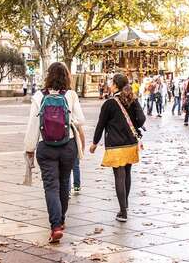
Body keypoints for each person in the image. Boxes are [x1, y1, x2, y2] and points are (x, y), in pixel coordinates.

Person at [24, 62, 85, 243]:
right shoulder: (71, 95)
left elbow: (33, 126)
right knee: (65, 182)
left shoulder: (38, 96)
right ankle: (62, 219)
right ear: (67, 76)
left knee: (51, 186)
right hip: (68, 146)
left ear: (48, 75)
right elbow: (80, 120)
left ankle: (55, 226)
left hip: (46, 147)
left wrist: (29, 149)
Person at [90, 73, 146, 223]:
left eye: (111, 81)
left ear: (115, 85)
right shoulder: (132, 99)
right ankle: (125, 205)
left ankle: (123, 212)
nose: (109, 83)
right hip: (130, 143)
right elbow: (141, 119)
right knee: (127, 174)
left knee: (119, 176)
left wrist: (94, 143)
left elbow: (101, 124)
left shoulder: (109, 103)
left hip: (115, 145)